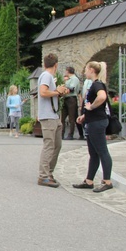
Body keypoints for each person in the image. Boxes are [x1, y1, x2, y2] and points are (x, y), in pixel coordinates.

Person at [73, 61, 114, 192]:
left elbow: (102, 97)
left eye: (86, 69)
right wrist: (85, 115)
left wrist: (91, 107)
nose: (84, 71)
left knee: (102, 151)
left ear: (91, 70)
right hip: (92, 122)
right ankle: (89, 181)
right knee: (93, 153)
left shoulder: (97, 84)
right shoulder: (94, 85)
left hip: (97, 123)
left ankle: (107, 181)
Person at [37, 53, 69, 188]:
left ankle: (49, 173)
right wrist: (57, 91)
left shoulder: (49, 77)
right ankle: (43, 176)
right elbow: (43, 92)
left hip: (54, 116)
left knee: (57, 145)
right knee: (49, 146)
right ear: (56, 65)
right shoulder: (46, 76)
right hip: (48, 116)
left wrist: (59, 92)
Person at [61, 66, 81, 140]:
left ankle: (70, 134)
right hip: (65, 98)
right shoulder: (68, 79)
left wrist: (65, 84)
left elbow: (72, 88)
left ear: (68, 71)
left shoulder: (74, 79)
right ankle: (61, 133)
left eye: (66, 71)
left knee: (71, 117)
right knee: (62, 117)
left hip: (71, 98)